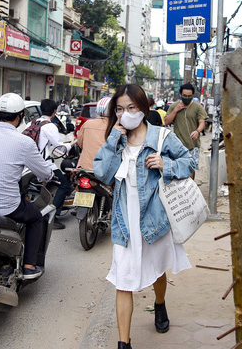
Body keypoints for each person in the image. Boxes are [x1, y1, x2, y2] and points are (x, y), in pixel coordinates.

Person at [93, 84, 195, 349]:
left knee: (157, 270)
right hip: (125, 222)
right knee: (122, 280)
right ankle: (123, 343)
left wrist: (167, 164)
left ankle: (159, 304)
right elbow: (102, 174)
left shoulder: (162, 137)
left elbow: (189, 163)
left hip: (155, 219)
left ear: (143, 109)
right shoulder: (116, 140)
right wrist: (114, 137)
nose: (125, 114)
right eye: (120, 109)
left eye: (131, 108)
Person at [0, 93, 54, 279]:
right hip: (6, 206)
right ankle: (29, 265)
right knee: (36, 218)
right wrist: (49, 174)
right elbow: (44, 173)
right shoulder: (24, 142)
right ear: (20, 116)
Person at [34, 99, 77, 229]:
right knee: (64, 185)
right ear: (54, 111)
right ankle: (53, 216)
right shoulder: (49, 126)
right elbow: (60, 148)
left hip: (30, 164)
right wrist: (74, 142)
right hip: (44, 164)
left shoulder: (34, 122)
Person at [163, 83, 208, 179]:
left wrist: (197, 131)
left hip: (193, 145)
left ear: (192, 95)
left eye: (189, 96)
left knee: (191, 168)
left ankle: (190, 188)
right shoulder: (174, 106)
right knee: (177, 168)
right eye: (184, 96)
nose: (187, 98)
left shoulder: (198, 107)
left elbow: (202, 122)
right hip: (177, 146)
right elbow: (166, 121)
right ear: (181, 95)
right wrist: (176, 110)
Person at [76, 97, 111, 170]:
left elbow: (80, 143)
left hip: (85, 167)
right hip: (106, 171)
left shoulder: (87, 124)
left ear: (97, 110)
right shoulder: (116, 127)